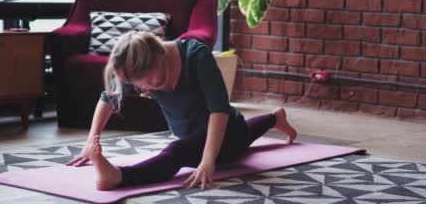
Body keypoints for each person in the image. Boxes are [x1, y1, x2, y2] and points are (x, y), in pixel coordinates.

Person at [66, 31, 297, 190]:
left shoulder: (196, 55)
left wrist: (208, 161)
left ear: (159, 55)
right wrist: (91, 142)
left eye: (147, 79)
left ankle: (118, 176)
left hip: (223, 131)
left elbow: (219, 109)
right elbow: (108, 97)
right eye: (140, 83)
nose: (144, 87)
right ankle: (275, 118)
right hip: (197, 134)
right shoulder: (139, 65)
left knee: (178, 152)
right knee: (240, 134)